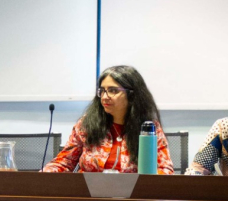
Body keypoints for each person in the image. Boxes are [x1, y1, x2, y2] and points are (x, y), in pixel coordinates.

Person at [43, 65, 173, 173]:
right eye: (102, 91)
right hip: (90, 198)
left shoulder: (148, 128)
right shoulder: (86, 124)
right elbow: (65, 161)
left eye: (113, 91)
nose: (105, 97)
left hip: (131, 199)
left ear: (132, 94)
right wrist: (42, 176)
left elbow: (165, 170)